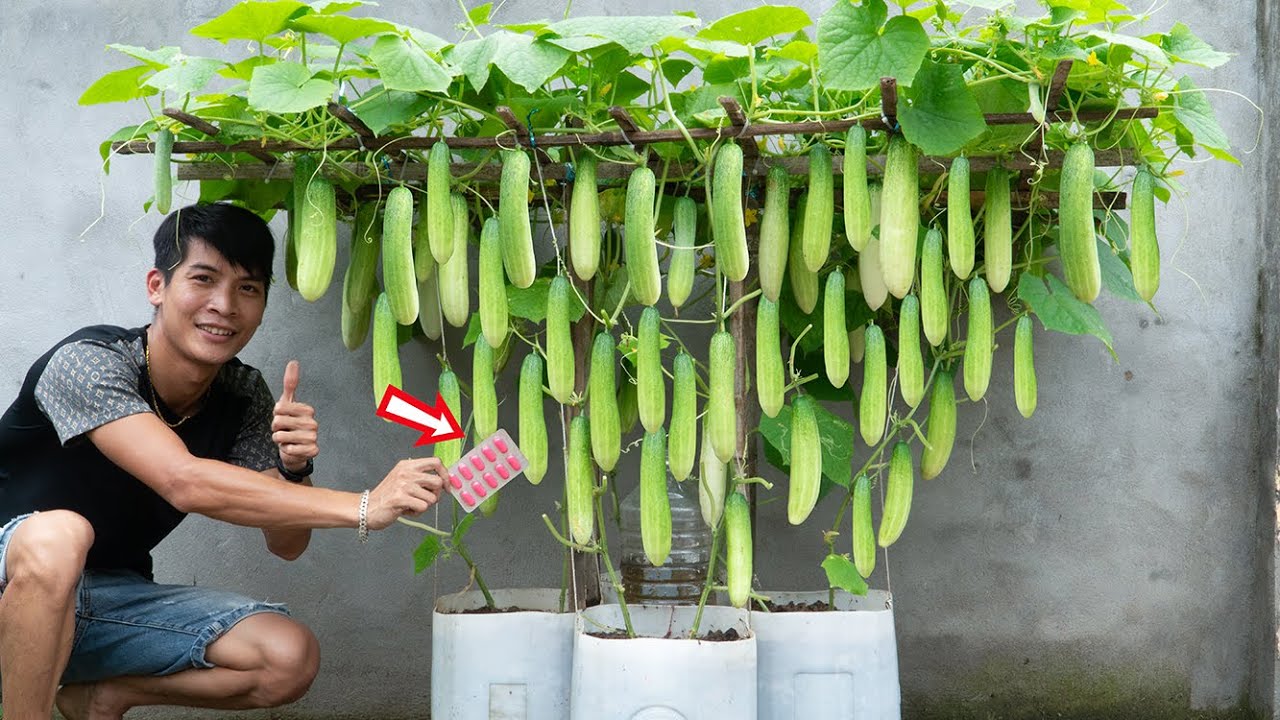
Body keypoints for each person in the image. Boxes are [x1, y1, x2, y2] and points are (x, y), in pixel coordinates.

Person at [0, 202, 447, 720]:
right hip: (17, 579)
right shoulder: (88, 363)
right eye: (203, 279)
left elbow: (287, 542)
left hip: (104, 602)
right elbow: (182, 480)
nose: (225, 305)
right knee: (59, 535)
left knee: (287, 656)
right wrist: (368, 504)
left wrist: (295, 471)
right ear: (156, 287)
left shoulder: (243, 393)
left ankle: (106, 695)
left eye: (248, 288)